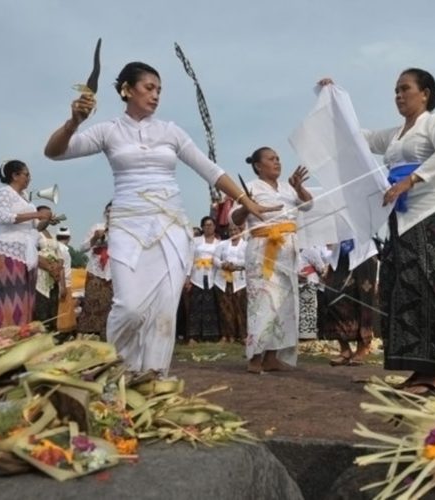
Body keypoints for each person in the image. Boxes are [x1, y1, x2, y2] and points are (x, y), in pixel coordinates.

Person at [44, 61, 273, 374]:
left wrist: (247, 200)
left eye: (159, 90)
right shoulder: (108, 131)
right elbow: (55, 152)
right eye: (149, 88)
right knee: (129, 308)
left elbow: (210, 170)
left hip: (171, 228)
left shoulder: (170, 131)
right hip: (128, 226)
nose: (155, 96)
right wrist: (74, 121)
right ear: (126, 90)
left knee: (164, 311)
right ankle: (119, 371)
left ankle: (152, 378)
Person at [319, 68, 435, 394]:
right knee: (403, 290)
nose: (398, 95)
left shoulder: (434, 123)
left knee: (430, 291)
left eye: (405, 89)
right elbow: (359, 138)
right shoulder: (396, 135)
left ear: (425, 93)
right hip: (403, 219)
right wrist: (333, 100)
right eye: (395, 90)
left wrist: (410, 180)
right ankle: (417, 368)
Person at [231, 147, 313, 374]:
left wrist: (299, 188)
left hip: (288, 250)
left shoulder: (288, 188)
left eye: (278, 158)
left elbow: (308, 205)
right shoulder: (250, 188)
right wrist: (247, 205)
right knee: (262, 303)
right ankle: (255, 356)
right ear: (258, 165)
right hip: (262, 249)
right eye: (271, 159)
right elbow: (234, 217)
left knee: (284, 304)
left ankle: (271, 356)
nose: (277, 162)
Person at [0, 160, 52, 327]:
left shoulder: (26, 200)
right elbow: (4, 217)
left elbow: (35, 228)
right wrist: (35, 214)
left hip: (26, 252)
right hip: (8, 251)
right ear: (15, 175)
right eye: (26, 174)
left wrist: (45, 219)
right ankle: (7, 336)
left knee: (26, 299)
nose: (29, 178)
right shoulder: (3, 193)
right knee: (11, 298)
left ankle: (22, 334)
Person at [321, 240, 379, 366]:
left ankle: (362, 348)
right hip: (340, 254)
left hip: (364, 253)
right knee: (332, 297)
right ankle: (345, 349)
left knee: (363, 300)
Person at [77, 202, 113, 338]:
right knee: (92, 303)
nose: (111, 214)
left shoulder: (124, 230)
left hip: (114, 272)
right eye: (109, 211)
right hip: (96, 271)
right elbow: (82, 248)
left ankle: (108, 336)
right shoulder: (97, 227)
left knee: (111, 306)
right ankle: (89, 335)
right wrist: (95, 238)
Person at [184, 216, 220, 342]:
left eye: (211, 225)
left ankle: (209, 335)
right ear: (202, 227)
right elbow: (190, 259)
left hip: (212, 276)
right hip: (197, 276)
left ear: (215, 227)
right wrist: (187, 277)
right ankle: (193, 336)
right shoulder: (196, 241)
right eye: (206, 225)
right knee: (195, 306)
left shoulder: (218, 243)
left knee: (210, 306)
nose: (208, 227)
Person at [212, 223, 248, 343]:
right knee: (225, 308)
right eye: (231, 230)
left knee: (240, 308)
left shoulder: (246, 245)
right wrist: (223, 264)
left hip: (240, 281)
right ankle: (227, 335)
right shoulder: (222, 244)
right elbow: (215, 258)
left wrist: (235, 265)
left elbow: (249, 260)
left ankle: (243, 335)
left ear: (240, 230)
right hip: (223, 280)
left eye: (235, 229)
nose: (233, 232)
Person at [34, 205, 65, 332]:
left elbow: (60, 255)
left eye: (50, 215)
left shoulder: (52, 235)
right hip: (40, 275)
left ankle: (52, 336)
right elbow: (32, 253)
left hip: (53, 277)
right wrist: (48, 266)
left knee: (53, 308)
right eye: (46, 215)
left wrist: (58, 266)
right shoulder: (34, 232)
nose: (50, 218)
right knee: (42, 309)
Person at [297, 244, 326, 341]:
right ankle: (301, 334)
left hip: (309, 282)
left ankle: (308, 335)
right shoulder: (291, 252)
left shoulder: (309, 250)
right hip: (297, 283)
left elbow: (321, 267)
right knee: (300, 309)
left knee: (309, 308)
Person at [55, 226, 77, 334]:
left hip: (63, 282)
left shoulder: (58, 247)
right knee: (64, 313)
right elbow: (60, 267)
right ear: (69, 238)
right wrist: (62, 286)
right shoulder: (62, 249)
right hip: (64, 283)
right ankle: (62, 335)